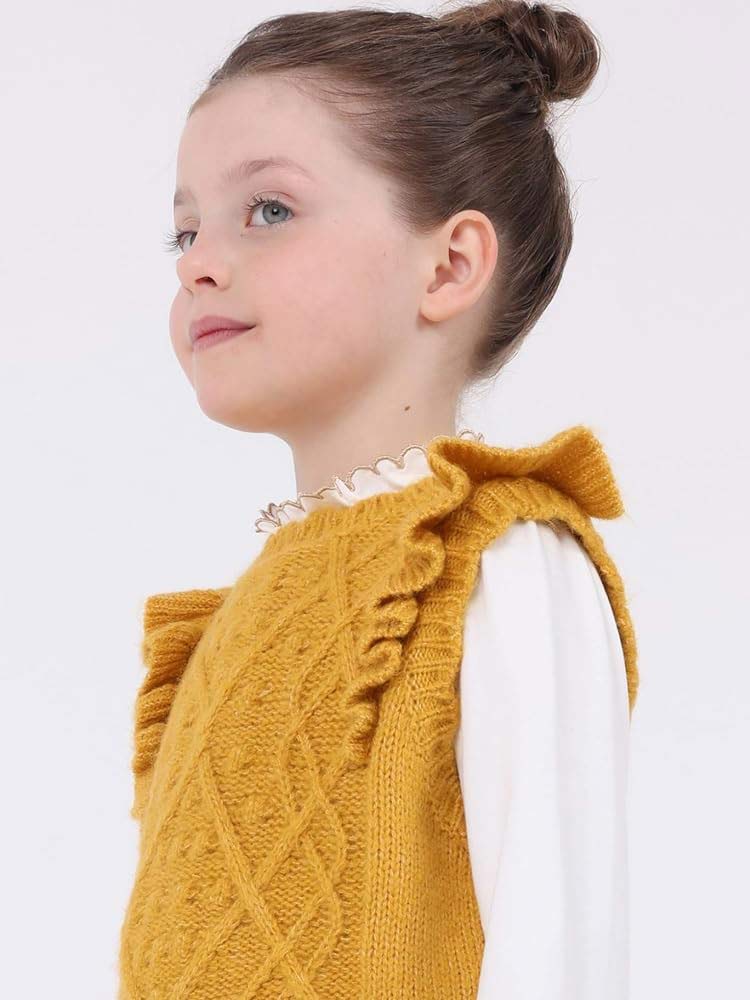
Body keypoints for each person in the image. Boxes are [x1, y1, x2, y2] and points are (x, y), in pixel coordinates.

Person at [118, 2, 640, 998]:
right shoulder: (243, 618)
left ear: (449, 265)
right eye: (185, 229)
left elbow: (558, 945)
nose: (196, 261)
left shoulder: (494, 556)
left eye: (269, 210)